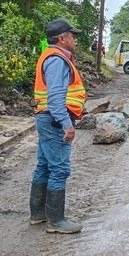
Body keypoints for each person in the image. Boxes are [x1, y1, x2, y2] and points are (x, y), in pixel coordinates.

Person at [30, 18, 87, 234]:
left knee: (44, 165)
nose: (75, 39)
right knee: (59, 168)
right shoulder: (57, 60)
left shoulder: (51, 57)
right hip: (54, 120)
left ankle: (38, 214)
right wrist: (66, 124)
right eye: (72, 36)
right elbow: (55, 98)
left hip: (46, 118)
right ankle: (56, 221)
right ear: (62, 38)